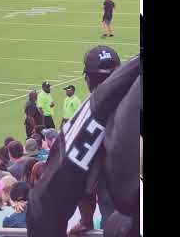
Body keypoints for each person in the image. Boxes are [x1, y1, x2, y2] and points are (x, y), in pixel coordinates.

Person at [27, 46, 140, 237]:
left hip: (120, 215)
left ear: (87, 79)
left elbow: (57, 195)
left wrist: (86, 219)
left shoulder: (91, 117)